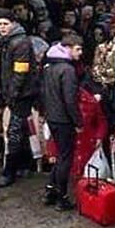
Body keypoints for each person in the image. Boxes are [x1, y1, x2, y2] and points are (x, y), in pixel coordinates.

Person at [0, 9, 40, 187]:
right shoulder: (10, 41)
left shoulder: (19, 43)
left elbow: (20, 72)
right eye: (0, 24)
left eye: (5, 24)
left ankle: (9, 172)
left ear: (13, 24)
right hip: (17, 92)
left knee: (14, 132)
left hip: (21, 94)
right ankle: (24, 164)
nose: (2, 27)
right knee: (21, 130)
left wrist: (12, 94)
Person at [42, 33, 84, 210]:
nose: (80, 53)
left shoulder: (49, 67)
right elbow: (70, 100)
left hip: (52, 116)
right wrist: (78, 122)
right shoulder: (67, 70)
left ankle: (51, 191)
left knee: (60, 155)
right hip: (64, 119)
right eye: (77, 49)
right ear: (67, 48)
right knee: (65, 158)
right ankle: (62, 197)